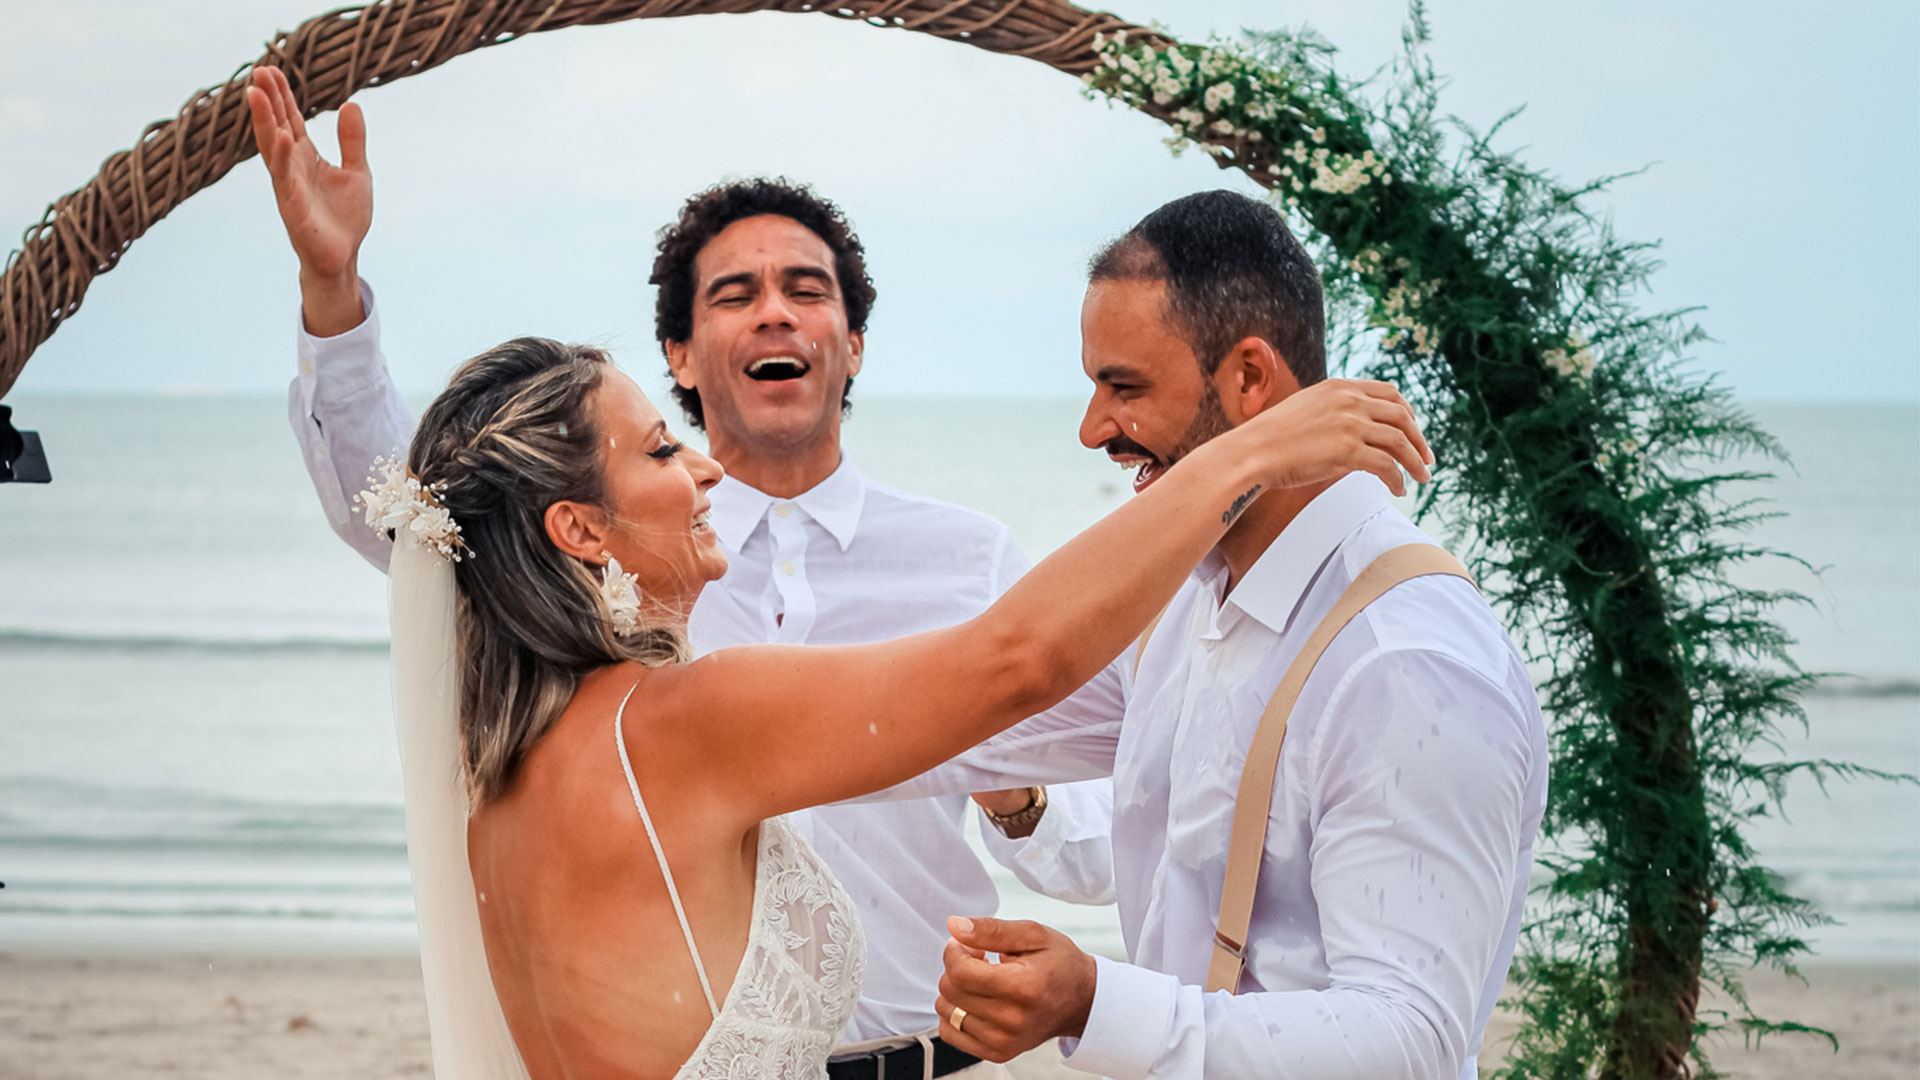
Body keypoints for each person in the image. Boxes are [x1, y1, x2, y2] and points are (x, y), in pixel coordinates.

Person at [245, 66, 1117, 1078]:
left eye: (808, 290)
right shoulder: (611, 569)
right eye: (736, 294)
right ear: (683, 355)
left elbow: (1097, 849)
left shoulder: (973, 559)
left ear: (856, 345)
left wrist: (1014, 796)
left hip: (944, 1061)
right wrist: (332, 292)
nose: (776, 315)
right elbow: (412, 516)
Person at [917, 191, 1550, 1080]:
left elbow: (1410, 1038)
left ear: (1251, 379)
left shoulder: (1403, 661)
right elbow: (969, 716)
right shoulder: (1183, 602)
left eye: (1124, 388)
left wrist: (1093, 1003)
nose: (1093, 428)